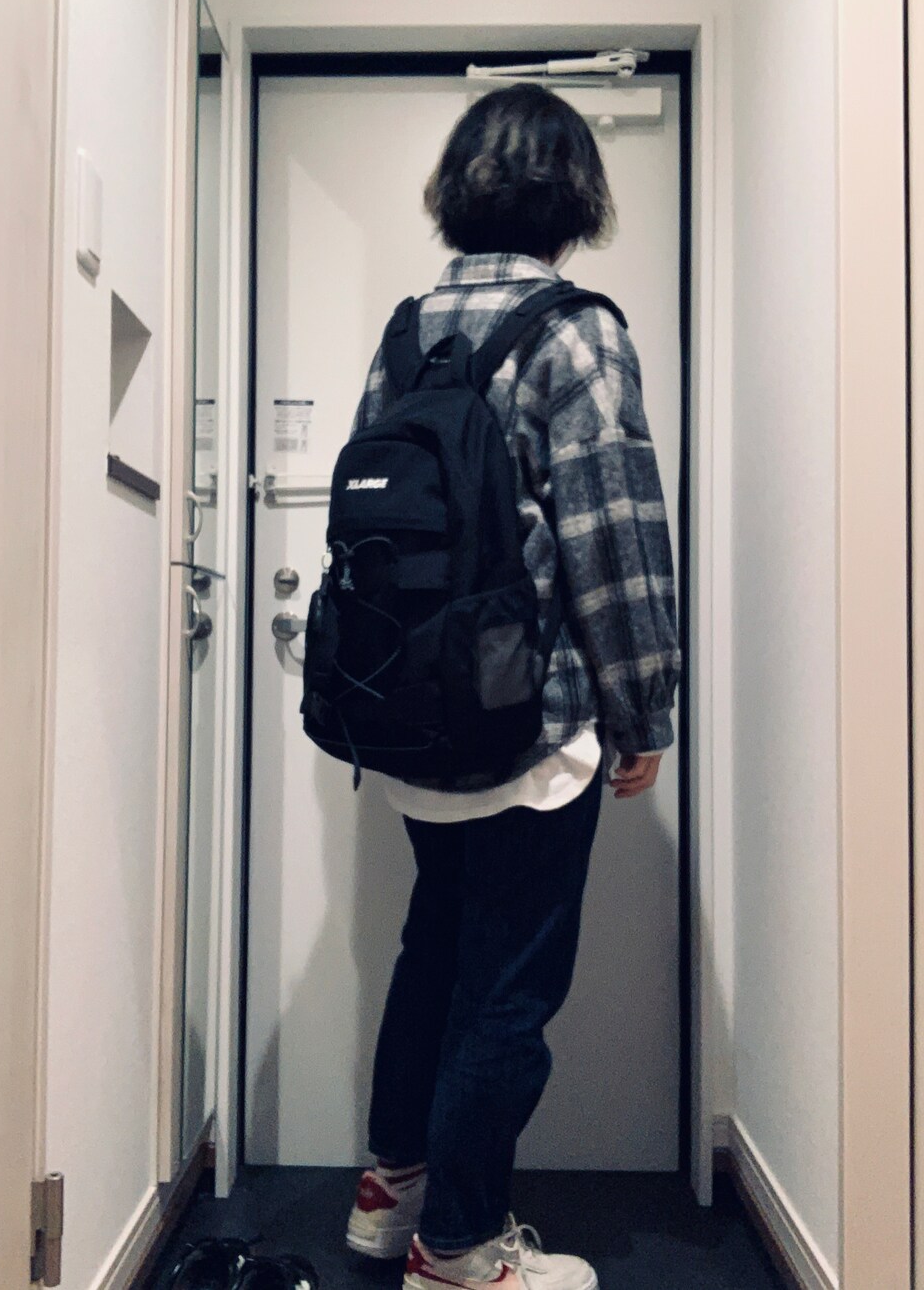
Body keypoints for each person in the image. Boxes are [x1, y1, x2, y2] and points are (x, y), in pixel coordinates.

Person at [344, 83, 681, 1290]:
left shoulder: (405, 331)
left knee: (431, 948)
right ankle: (459, 1248)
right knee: (506, 987)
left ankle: (390, 1194)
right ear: (572, 196)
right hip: (530, 728)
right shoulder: (574, 332)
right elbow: (614, 535)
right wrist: (644, 710)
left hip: (413, 720)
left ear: (460, 189)